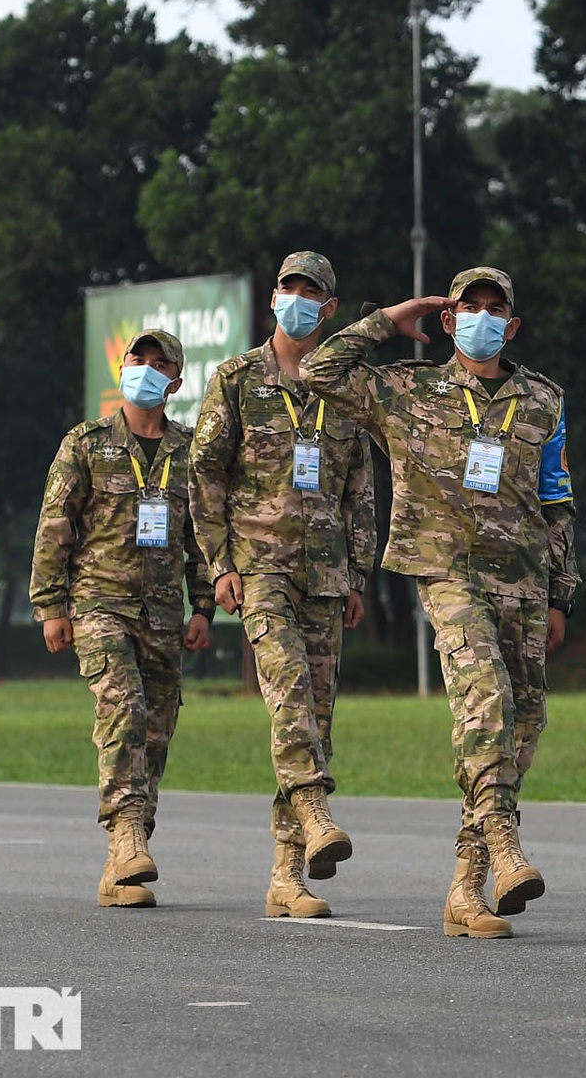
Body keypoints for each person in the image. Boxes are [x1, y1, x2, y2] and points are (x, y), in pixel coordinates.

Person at [305, 266, 578, 940]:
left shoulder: (543, 399)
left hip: (524, 579)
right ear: (450, 320)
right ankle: (506, 847)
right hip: (447, 573)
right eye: (469, 307)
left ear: (512, 325)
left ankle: (465, 888)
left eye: (497, 309)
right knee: (483, 699)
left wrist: (562, 593)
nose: (483, 318)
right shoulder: (406, 389)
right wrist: (385, 322)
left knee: (524, 724)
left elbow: (557, 498)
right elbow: (316, 371)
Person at [190, 251, 377, 920]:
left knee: (314, 718)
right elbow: (204, 474)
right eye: (288, 288)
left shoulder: (346, 387)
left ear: (329, 309)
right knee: (288, 693)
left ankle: (287, 876)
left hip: (326, 575)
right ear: (274, 297)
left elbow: (361, 488)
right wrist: (219, 563)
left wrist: (358, 572)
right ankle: (318, 810)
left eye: (312, 293)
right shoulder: (237, 379)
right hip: (259, 567)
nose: (298, 299)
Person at [30, 329, 214, 909]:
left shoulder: (190, 452)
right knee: (125, 709)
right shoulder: (85, 445)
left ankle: (123, 861)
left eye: (162, 364)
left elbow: (203, 538)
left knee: (156, 731)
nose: (148, 370)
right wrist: (50, 606)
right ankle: (127, 832)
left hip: (163, 614)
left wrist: (204, 605)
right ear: (122, 368)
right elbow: (54, 527)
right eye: (140, 359)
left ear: (176, 382)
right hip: (98, 606)